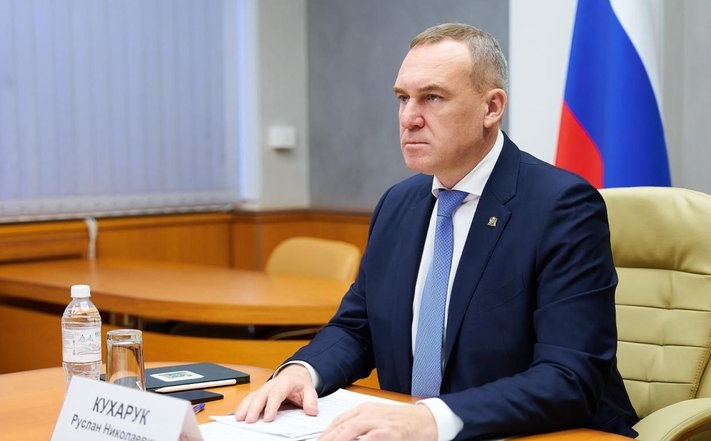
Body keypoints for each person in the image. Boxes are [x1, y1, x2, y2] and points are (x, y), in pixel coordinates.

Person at [235, 23, 639, 441]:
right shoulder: (398, 204)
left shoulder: (561, 207)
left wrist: (432, 419)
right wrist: (304, 370)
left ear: (491, 107)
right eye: (403, 98)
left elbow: (569, 376)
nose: (409, 118)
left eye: (432, 97)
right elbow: (358, 328)